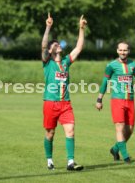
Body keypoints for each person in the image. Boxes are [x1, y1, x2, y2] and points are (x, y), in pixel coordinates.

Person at [41, 13, 87, 171]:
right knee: (50, 133)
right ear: (50, 50)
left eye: (57, 44)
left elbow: (79, 48)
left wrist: (81, 29)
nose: (57, 45)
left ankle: (70, 162)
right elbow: (43, 46)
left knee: (71, 130)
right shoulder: (47, 63)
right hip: (50, 103)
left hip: (65, 104)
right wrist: (48, 27)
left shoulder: (66, 62)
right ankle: (49, 160)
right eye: (54, 45)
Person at [95, 42, 135, 163]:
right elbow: (105, 83)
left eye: (125, 50)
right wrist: (99, 99)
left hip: (130, 101)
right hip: (117, 100)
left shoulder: (133, 64)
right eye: (120, 50)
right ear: (117, 51)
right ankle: (126, 157)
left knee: (130, 130)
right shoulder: (111, 66)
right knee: (119, 127)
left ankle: (115, 149)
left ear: (128, 51)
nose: (123, 52)